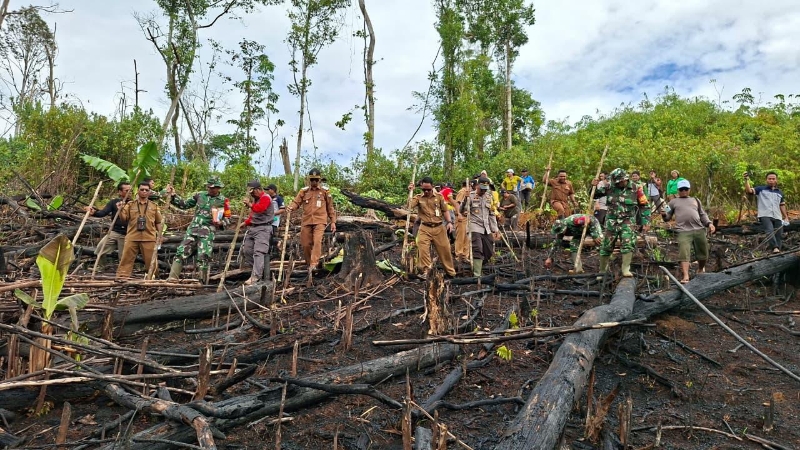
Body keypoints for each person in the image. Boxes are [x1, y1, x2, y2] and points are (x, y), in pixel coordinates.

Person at [166, 177, 230, 282]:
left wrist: (221, 223)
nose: (211, 189)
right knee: (181, 252)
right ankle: (172, 278)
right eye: (209, 187)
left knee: (204, 256)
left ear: (219, 188)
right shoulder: (199, 195)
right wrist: (173, 196)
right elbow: (184, 204)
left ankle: (202, 282)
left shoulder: (223, 201)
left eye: (214, 188)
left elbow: (228, 218)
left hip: (208, 231)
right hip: (193, 230)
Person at [591, 168, 651, 278]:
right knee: (606, 246)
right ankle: (602, 271)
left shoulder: (636, 188)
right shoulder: (609, 187)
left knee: (628, 243)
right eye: (616, 182)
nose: (617, 184)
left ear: (625, 180)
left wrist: (646, 222)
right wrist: (593, 187)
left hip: (627, 220)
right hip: (611, 220)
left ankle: (625, 269)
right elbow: (594, 195)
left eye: (619, 182)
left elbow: (644, 205)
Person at [662, 180, 715, 283]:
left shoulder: (695, 200)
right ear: (678, 190)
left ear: (689, 189)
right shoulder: (672, 202)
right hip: (683, 230)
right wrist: (664, 214)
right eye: (681, 189)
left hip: (698, 229)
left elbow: (702, 214)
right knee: (684, 252)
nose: (684, 191)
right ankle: (686, 276)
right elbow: (667, 217)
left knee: (703, 252)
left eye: (686, 189)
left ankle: (700, 269)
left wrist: (710, 224)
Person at [287, 168, 337, 277]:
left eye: (316, 180)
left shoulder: (325, 192)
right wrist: (291, 207)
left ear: (319, 180)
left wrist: (333, 221)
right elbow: (296, 202)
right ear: (309, 180)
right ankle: (309, 263)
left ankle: (314, 264)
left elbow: (330, 207)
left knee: (317, 241)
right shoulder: (304, 191)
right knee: (305, 244)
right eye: (312, 180)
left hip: (320, 221)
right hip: (307, 221)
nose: (314, 182)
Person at [407, 176, 456, 278]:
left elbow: (445, 210)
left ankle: (451, 273)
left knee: (445, 250)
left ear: (432, 187)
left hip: (439, 227)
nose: (426, 192)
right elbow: (409, 206)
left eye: (428, 189)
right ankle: (426, 271)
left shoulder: (439, 197)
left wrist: (449, 222)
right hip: (425, 227)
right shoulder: (418, 197)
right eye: (424, 189)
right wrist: (410, 192)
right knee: (422, 247)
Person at [116, 182, 163, 279]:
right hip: (132, 236)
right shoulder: (130, 205)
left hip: (149, 237)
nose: (144, 192)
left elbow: (158, 222)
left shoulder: (154, 206)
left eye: (147, 190)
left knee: (151, 261)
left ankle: (153, 278)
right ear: (138, 191)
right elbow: (123, 218)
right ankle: (122, 278)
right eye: (142, 189)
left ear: (149, 192)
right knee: (126, 259)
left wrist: (160, 235)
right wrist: (120, 210)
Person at [86, 181, 131, 268]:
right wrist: (93, 212)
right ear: (120, 192)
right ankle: (101, 267)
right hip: (114, 232)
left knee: (123, 257)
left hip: (127, 233)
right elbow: (103, 213)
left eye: (130, 191)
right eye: (126, 191)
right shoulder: (114, 202)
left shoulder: (133, 203)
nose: (129, 193)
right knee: (100, 249)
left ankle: (123, 273)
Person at [461, 177, 499, 276]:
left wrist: (495, 229)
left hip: (486, 227)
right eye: (481, 188)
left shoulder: (488, 197)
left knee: (489, 250)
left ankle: (479, 265)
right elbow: (462, 210)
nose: (483, 190)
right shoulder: (470, 195)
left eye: (485, 189)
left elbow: (491, 214)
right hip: (474, 225)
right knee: (477, 248)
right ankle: (477, 274)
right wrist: (466, 198)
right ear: (477, 186)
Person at [744, 171, 789, 253]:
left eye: (773, 179)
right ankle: (774, 248)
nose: (771, 180)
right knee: (769, 231)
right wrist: (746, 180)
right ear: (766, 180)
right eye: (769, 179)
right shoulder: (761, 189)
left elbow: (782, 205)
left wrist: (785, 217)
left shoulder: (779, 192)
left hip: (777, 216)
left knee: (779, 233)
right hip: (765, 214)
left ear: (776, 180)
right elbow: (749, 191)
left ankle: (778, 250)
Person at [240, 180, 275, 285]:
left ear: (259, 190)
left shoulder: (265, 198)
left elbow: (260, 209)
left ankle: (256, 276)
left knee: (259, 252)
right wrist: (246, 223)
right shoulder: (256, 199)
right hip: (253, 228)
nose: (252, 194)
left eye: (253, 192)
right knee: (247, 250)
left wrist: (250, 204)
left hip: (263, 229)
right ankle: (257, 270)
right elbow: (253, 215)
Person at [454, 180, 472, 263]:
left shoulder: (470, 193)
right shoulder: (462, 192)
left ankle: (465, 255)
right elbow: (457, 203)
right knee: (460, 237)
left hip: (468, 217)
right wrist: (459, 214)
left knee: (467, 237)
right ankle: (459, 255)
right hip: (462, 217)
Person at [266, 184, 285, 253]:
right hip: (266, 220)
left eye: (269, 190)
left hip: (274, 220)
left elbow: (282, 210)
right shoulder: (267, 198)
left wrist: (273, 214)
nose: (267, 191)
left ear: (273, 190)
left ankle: (276, 243)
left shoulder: (278, 198)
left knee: (270, 236)